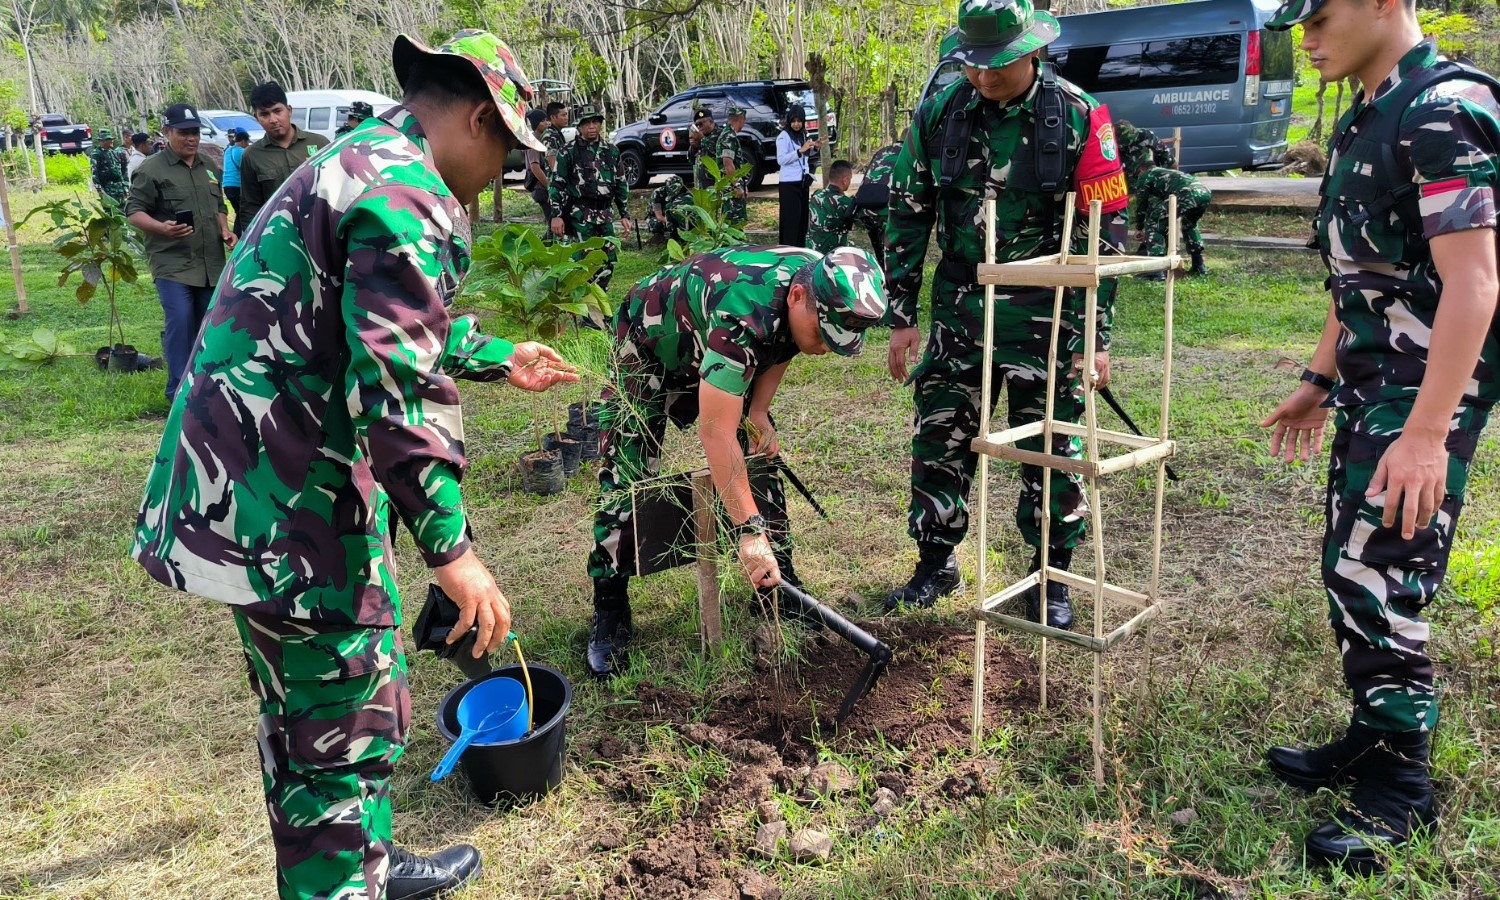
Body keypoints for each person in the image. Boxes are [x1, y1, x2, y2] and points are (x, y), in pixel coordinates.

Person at [131, 30, 579, 899]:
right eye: (509, 151)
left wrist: (492, 352)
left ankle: (361, 865)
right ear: (481, 119)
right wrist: (454, 554)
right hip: (286, 503)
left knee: (312, 718)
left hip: (250, 489)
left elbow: (373, 321)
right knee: (342, 718)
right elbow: (398, 393)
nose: (503, 174)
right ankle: (343, 885)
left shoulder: (364, 161)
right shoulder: (406, 193)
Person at [1258, 0, 1499, 875]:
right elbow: (1357, 274)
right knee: (1347, 559)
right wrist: (1318, 381)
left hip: (1426, 387)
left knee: (1381, 568)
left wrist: (1430, 435)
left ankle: (1402, 789)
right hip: (1372, 383)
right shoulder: (1372, 109)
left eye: (1318, 15)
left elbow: (1475, 283)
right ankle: (1372, 738)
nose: (1305, 35)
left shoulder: (1446, 108)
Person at [883, 0, 1130, 628]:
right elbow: (909, 210)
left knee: (1053, 446)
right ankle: (935, 560)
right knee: (941, 437)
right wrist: (902, 311)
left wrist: (1094, 336)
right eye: (972, 65)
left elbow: (1108, 232)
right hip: (960, 308)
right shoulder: (941, 110)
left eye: (997, 66)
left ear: (1032, 51)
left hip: (1048, 316)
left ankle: (1050, 575)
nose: (983, 78)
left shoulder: (1079, 116)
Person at [584, 246, 889, 678]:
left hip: (717, 339)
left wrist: (760, 408)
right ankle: (610, 605)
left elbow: (783, 344)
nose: (822, 347)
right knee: (626, 471)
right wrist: (747, 530)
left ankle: (776, 584)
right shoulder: (743, 313)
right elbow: (715, 433)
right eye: (823, 333)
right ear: (800, 296)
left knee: (760, 453)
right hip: (650, 340)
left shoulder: (813, 276)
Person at [124, 102, 235, 401]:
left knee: (208, 327)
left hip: (210, 262)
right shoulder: (151, 169)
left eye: (195, 132)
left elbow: (218, 206)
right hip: (172, 264)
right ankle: (177, 394)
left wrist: (224, 230)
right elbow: (133, 212)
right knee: (181, 321)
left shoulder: (209, 166)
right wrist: (163, 228)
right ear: (167, 132)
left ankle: (205, 390)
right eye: (184, 132)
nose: (192, 139)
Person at [549, 104, 632, 290]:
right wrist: (556, 215)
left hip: (605, 214)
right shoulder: (567, 151)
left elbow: (620, 183)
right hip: (580, 215)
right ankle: (586, 306)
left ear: (601, 124)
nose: (592, 126)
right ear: (579, 126)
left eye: (595, 122)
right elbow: (557, 184)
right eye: (587, 123)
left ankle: (599, 295)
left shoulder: (611, 151)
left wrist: (624, 214)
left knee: (608, 259)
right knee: (582, 262)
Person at [238, 81, 330, 229]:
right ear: (256, 118)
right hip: (278, 235)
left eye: (277, 111)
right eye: (265, 114)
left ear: (289, 110)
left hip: (319, 230)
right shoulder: (251, 156)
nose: (273, 120)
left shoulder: (320, 143)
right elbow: (250, 206)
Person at [1128, 160, 1211, 277]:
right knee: (1189, 226)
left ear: (1141, 170)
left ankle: (1155, 271)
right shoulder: (1164, 173)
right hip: (1204, 192)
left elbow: (1142, 204)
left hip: (1185, 193)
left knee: (1154, 223)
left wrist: (1139, 227)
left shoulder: (1146, 175)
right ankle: (1199, 266)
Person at [854, 138, 902, 274]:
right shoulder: (908, 154)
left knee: (880, 253)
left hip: (866, 209)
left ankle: (881, 279)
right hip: (887, 210)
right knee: (894, 254)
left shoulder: (882, 151)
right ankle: (891, 287)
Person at [775, 108, 815, 245]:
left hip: (802, 182)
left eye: (799, 121)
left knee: (802, 220)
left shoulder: (803, 134)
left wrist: (816, 147)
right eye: (794, 121)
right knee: (791, 221)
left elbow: (806, 155)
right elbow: (781, 160)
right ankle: (788, 251)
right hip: (789, 184)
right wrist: (799, 151)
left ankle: (800, 249)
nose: (797, 124)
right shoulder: (783, 136)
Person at [711, 104, 753, 226]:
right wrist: (737, 186)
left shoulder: (728, 135)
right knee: (734, 225)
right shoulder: (728, 137)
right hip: (730, 191)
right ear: (741, 118)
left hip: (730, 188)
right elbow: (727, 163)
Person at [806, 159, 859, 253]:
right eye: (850, 179)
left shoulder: (817, 194)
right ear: (845, 180)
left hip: (811, 249)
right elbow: (861, 224)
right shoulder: (845, 203)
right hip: (831, 252)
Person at [647, 173, 693, 245]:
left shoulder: (683, 192)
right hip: (659, 216)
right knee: (656, 224)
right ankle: (659, 236)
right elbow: (659, 216)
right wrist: (670, 222)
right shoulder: (657, 194)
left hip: (672, 214)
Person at [88, 128, 129, 208]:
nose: (112, 141)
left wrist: (125, 187)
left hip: (119, 188)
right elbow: (94, 172)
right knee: (111, 211)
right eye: (109, 139)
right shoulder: (96, 154)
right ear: (102, 141)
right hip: (107, 188)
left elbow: (120, 171)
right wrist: (99, 190)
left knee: (123, 211)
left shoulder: (113, 153)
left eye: (111, 139)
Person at [221, 128, 250, 234]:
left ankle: (238, 236)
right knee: (242, 212)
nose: (247, 145)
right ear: (243, 141)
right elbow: (246, 168)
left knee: (239, 211)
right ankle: (238, 237)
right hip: (237, 185)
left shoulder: (228, 150)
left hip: (227, 186)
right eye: (247, 142)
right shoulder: (242, 151)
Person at [689, 108, 717, 188]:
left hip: (715, 184)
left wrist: (702, 139)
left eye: (701, 124)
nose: (699, 127)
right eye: (697, 125)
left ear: (711, 122)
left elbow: (716, 152)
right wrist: (693, 146)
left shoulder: (721, 135)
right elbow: (691, 160)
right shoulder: (700, 137)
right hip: (701, 185)